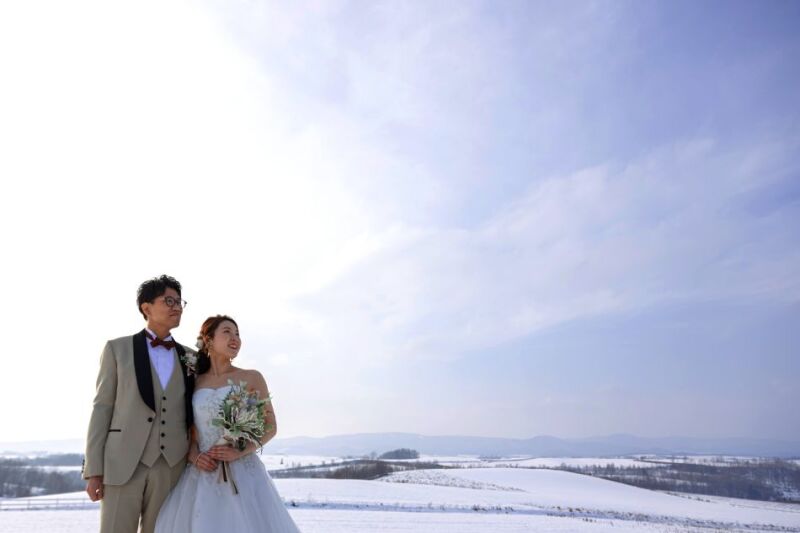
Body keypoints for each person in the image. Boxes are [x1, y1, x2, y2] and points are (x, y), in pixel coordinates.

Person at [154, 315, 301, 533]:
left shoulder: (251, 377)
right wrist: (195, 456)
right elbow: (190, 431)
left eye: (238, 333)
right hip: (201, 472)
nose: (235, 338)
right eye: (227, 332)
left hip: (243, 473)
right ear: (209, 339)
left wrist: (239, 452)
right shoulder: (193, 381)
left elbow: (270, 425)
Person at [83, 275, 196, 533]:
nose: (176, 306)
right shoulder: (116, 349)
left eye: (180, 301)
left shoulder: (191, 357)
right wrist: (94, 470)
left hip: (172, 465)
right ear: (146, 308)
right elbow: (101, 409)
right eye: (168, 300)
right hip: (122, 461)